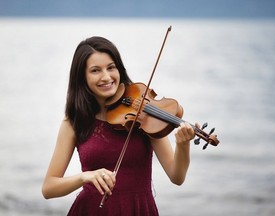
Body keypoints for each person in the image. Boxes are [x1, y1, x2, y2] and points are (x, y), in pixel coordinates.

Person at [42, 36, 196, 215]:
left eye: (111, 67)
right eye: (95, 70)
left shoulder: (144, 115)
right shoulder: (74, 121)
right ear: (82, 77)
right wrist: (85, 177)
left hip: (138, 210)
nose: (106, 77)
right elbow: (49, 188)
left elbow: (177, 177)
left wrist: (183, 145)